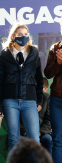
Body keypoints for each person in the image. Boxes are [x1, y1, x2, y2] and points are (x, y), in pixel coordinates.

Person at [0, 22, 43, 150]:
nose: (23, 37)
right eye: (20, 34)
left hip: (29, 101)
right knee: (13, 139)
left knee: (34, 138)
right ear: (13, 36)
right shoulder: (4, 55)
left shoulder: (34, 53)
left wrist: (39, 100)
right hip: (9, 101)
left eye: (25, 34)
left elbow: (39, 78)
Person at [44, 19, 62, 163]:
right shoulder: (55, 48)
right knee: (57, 139)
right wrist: (58, 63)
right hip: (57, 99)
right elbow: (48, 73)